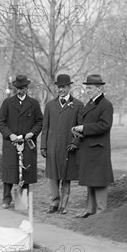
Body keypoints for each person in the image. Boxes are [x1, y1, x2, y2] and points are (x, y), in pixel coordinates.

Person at [70, 74, 114, 218]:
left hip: (98, 149)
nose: (87, 90)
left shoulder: (106, 105)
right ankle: (90, 210)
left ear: (99, 88)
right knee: (90, 180)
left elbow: (105, 126)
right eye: (86, 88)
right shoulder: (89, 104)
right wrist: (77, 132)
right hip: (88, 148)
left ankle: (101, 212)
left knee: (99, 181)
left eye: (90, 88)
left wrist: (84, 128)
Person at [0, 74, 43, 209]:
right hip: (11, 143)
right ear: (15, 88)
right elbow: (1, 122)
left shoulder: (33, 104)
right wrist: (10, 135)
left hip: (27, 143)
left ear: (27, 88)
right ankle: (6, 198)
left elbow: (40, 122)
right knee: (9, 172)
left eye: (23, 88)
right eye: (18, 88)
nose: (21, 90)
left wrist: (31, 133)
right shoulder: (7, 103)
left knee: (25, 172)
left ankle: (22, 200)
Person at [40, 74, 83, 214]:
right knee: (53, 176)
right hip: (52, 147)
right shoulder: (50, 105)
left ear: (69, 87)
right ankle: (54, 203)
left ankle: (64, 205)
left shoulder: (77, 105)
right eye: (59, 87)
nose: (61, 90)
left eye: (64, 87)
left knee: (66, 176)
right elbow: (45, 128)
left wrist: (75, 142)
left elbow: (80, 126)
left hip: (68, 147)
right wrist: (43, 146)